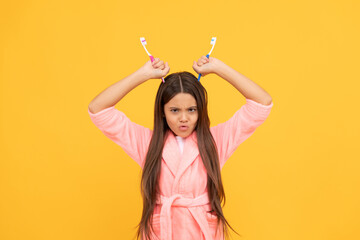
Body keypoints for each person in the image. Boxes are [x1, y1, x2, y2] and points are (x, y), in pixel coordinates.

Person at [88, 56, 274, 240]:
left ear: (201, 109)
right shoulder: (147, 143)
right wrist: (143, 74)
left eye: (191, 110)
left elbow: (261, 103)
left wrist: (219, 67)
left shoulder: (215, 141)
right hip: (162, 233)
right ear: (162, 110)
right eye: (174, 110)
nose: (183, 118)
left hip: (203, 233)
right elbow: (98, 109)